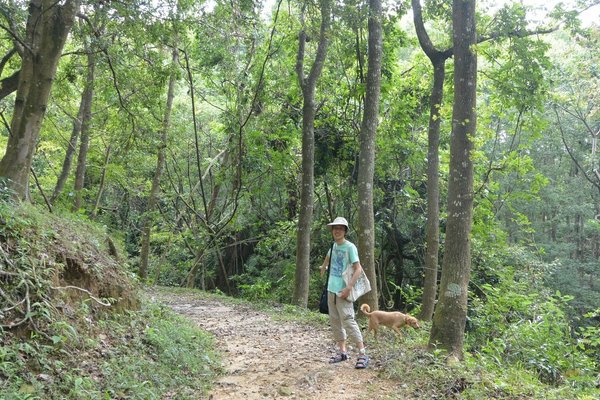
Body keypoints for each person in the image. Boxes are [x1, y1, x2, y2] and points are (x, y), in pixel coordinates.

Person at [319, 216, 369, 369]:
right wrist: (323, 267)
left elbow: (358, 268)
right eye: (335, 228)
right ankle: (343, 352)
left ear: (345, 231)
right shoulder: (333, 247)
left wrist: (348, 288)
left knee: (348, 320)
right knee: (335, 321)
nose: (337, 231)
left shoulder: (350, 247)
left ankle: (362, 354)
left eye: (340, 228)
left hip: (343, 291)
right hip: (331, 290)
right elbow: (327, 259)